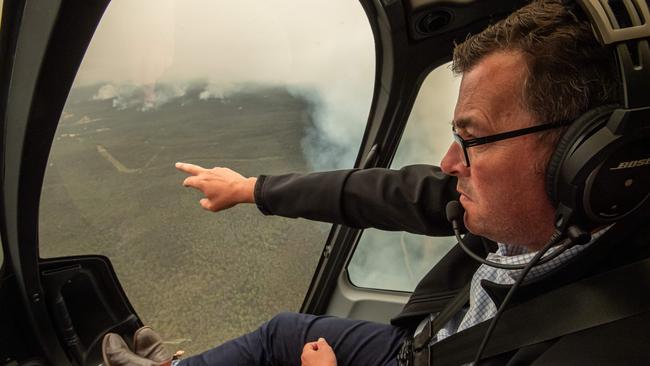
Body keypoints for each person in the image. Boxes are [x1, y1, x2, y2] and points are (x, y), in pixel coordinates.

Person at [102, 0, 650, 364]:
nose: (448, 162)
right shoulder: (530, 208)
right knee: (281, 332)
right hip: (426, 343)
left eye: (473, 137)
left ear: (581, 158)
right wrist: (253, 189)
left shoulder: (610, 341)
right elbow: (384, 193)